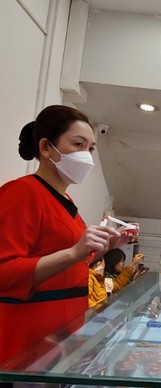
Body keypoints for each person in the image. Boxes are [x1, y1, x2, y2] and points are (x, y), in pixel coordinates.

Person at [0, 105, 128, 364]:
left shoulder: (65, 200)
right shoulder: (22, 193)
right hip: (24, 346)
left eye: (90, 149)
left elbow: (65, 263)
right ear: (46, 147)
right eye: (78, 144)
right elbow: (5, 271)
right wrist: (74, 252)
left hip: (60, 341)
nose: (86, 156)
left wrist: (100, 250)